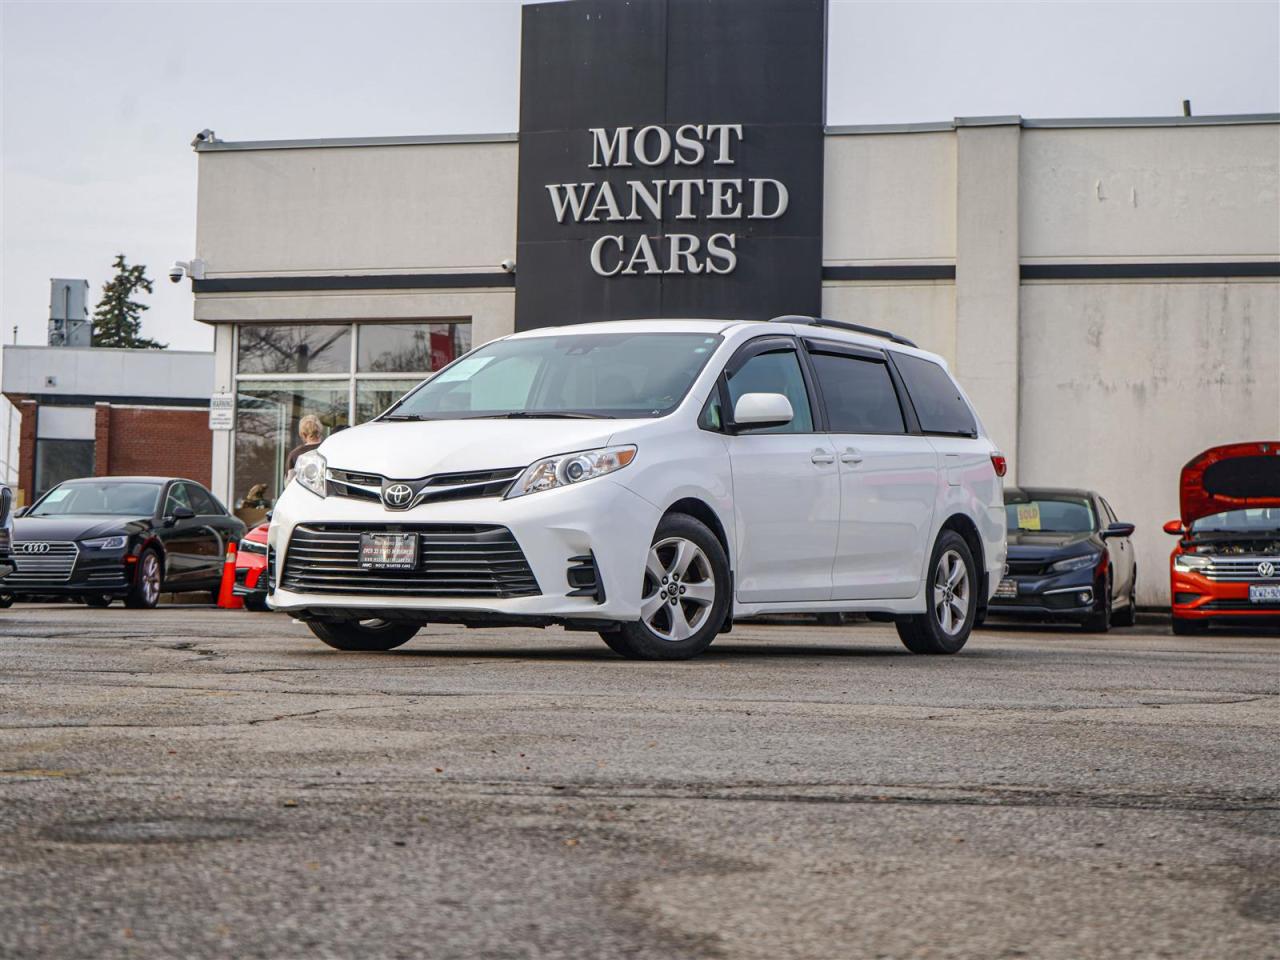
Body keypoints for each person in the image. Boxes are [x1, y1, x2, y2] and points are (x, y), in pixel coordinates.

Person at [284, 415, 325, 485]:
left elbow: (289, 484)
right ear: (320, 431)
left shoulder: (294, 455)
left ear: (303, 434)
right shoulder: (328, 449)